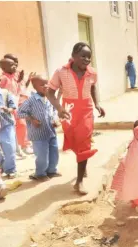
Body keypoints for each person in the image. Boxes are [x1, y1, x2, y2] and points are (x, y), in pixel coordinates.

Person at [47, 42, 106, 195]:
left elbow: (93, 87)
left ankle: (79, 182)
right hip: (69, 111)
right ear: (73, 56)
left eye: (89, 57)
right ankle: (82, 161)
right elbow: (50, 92)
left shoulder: (92, 73)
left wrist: (97, 104)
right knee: (74, 141)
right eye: (83, 56)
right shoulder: (61, 72)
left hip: (86, 110)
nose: (86, 60)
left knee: (84, 142)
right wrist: (59, 109)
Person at [17, 75, 61, 180]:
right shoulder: (30, 100)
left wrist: (55, 119)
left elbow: (55, 110)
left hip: (51, 131)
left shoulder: (50, 98)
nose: (46, 86)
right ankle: (40, 174)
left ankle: (51, 171)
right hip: (38, 134)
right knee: (42, 156)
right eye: (42, 85)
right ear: (35, 87)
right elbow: (19, 113)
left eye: (47, 83)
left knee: (54, 153)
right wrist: (32, 119)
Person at [0, 57, 33, 157]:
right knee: (14, 127)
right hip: (7, 106)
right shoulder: (3, 78)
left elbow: (19, 89)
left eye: (15, 64)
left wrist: (22, 80)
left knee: (22, 124)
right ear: (4, 68)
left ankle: (23, 145)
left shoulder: (14, 76)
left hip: (15, 104)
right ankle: (18, 148)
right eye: (12, 65)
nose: (15, 66)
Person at [0, 69, 18, 178]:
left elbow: (13, 107)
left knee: (9, 149)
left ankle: (10, 169)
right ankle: (1, 166)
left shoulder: (5, 93)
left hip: (6, 126)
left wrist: (7, 109)